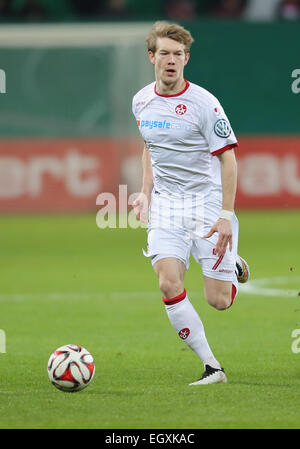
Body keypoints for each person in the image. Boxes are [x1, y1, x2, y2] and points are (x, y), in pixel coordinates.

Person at [132, 21, 250, 385]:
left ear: (186, 59)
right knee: (168, 283)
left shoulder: (203, 103)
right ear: (152, 56)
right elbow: (150, 147)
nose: (171, 60)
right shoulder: (141, 100)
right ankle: (213, 367)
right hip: (167, 207)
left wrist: (226, 215)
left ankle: (233, 267)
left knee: (219, 301)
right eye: (164, 53)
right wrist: (144, 191)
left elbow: (228, 158)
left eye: (178, 54)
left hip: (207, 206)